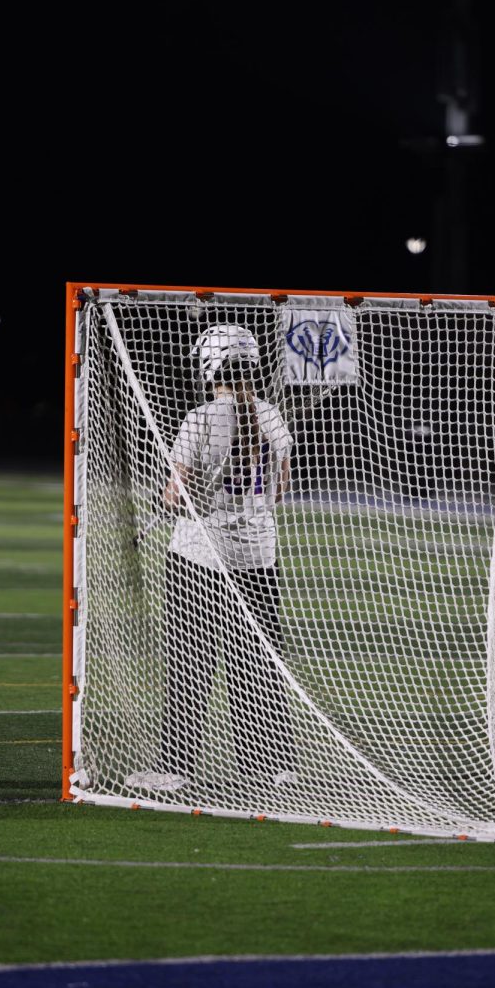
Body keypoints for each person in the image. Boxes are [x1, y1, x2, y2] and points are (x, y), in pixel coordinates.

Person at [126, 325, 297, 794]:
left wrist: (179, 499)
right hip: (259, 558)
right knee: (256, 666)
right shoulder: (271, 415)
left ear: (208, 365)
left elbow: (175, 497)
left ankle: (175, 767)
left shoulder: (200, 419)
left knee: (190, 665)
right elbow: (279, 493)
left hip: (200, 558)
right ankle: (270, 767)